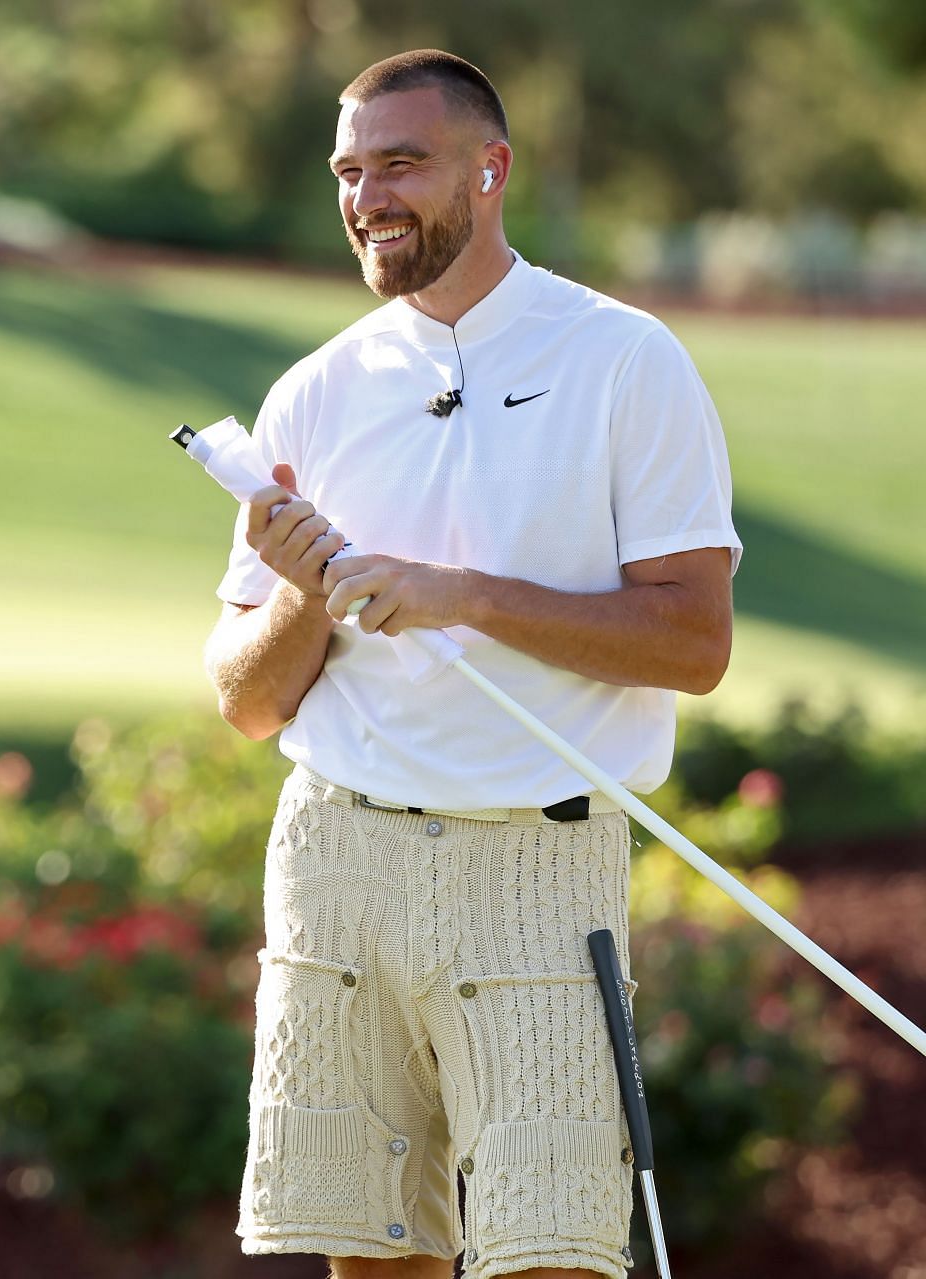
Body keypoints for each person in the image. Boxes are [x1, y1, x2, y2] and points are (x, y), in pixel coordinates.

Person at [204, 50, 738, 1279]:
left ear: (491, 170)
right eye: (349, 170)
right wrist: (304, 592)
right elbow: (243, 701)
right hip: (340, 857)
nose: (367, 196)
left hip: (538, 866)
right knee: (367, 1258)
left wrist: (463, 598)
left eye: (401, 162)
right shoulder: (316, 392)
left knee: (552, 1255)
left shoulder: (625, 361)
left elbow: (693, 643)